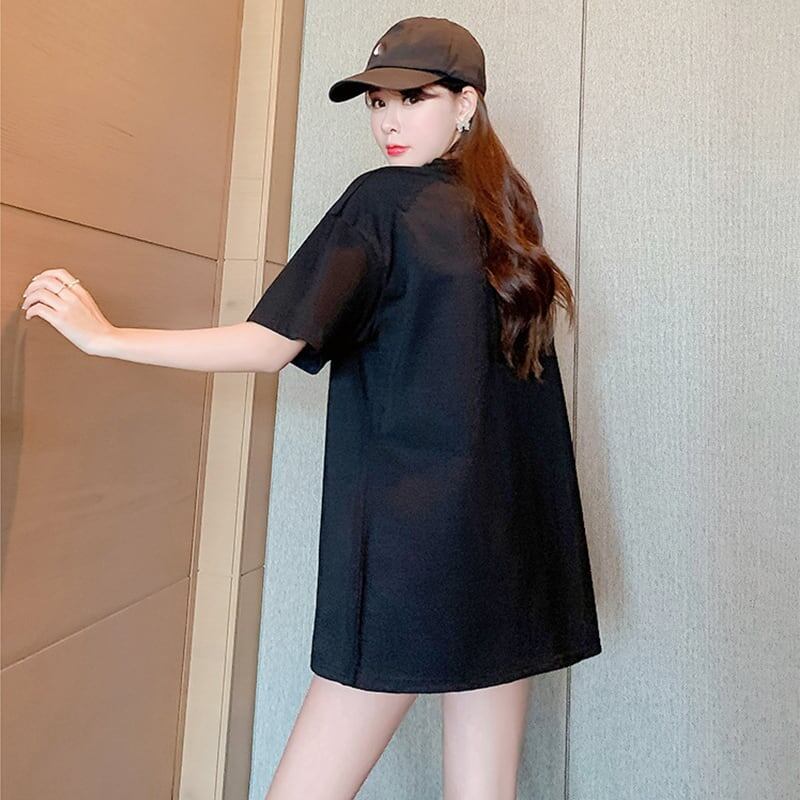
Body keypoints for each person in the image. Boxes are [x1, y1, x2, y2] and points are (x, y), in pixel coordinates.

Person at [19, 15, 602, 800]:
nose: (388, 121)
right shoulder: (507, 220)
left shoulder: (383, 203)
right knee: (484, 789)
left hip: (411, 558)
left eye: (414, 99)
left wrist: (108, 338)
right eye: (377, 103)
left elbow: (271, 343)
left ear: (467, 104)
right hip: (510, 550)